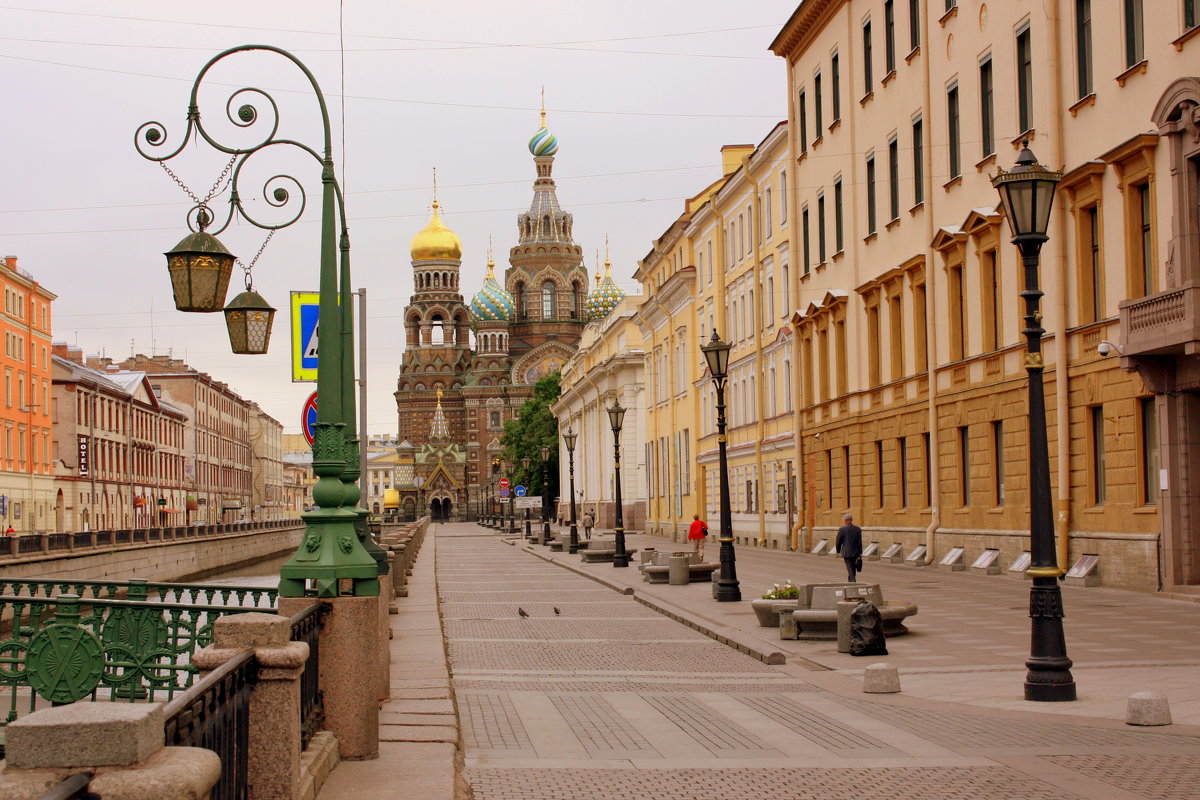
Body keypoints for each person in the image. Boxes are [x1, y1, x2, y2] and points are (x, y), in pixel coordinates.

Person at [835, 512, 863, 582]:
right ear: (851, 520)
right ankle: (851, 578)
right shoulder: (857, 529)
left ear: (846, 520)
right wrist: (860, 552)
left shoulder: (842, 529)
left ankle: (852, 579)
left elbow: (838, 541)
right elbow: (859, 541)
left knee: (849, 566)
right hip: (855, 552)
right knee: (853, 565)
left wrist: (838, 549)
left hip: (846, 552)